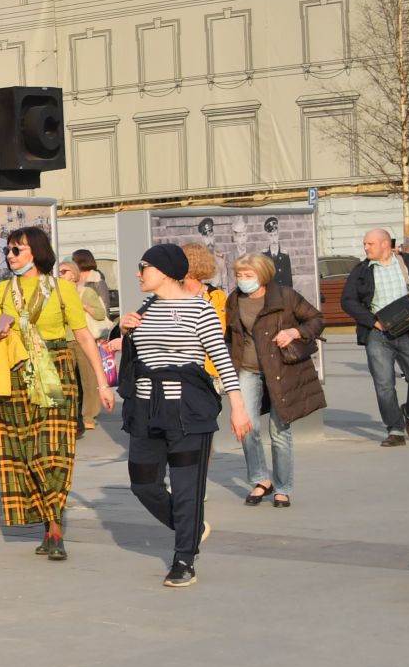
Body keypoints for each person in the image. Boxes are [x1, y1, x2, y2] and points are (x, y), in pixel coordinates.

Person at [118, 244, 252, 589]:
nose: (138, 274)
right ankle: (190, 527)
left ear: (163, 271)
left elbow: (221, 358)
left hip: (188, 409)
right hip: (146, 409)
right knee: (143, 483)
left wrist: (238, 406)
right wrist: (124, 330)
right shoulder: (144, 308)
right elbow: (133, 357)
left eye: (142, 267)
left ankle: (183, 559)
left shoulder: (199, 310)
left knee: (186, 485)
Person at [0, 230, 114, 560]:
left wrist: (102, 384)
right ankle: (45, 522)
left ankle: (55, 527)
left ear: (37, 252)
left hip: (56, 372)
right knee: (23, 454)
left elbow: (85, 338)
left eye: (18, 249)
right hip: (14, 375)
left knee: (52, 451)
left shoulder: (62, 290)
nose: (10, 254)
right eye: (8, 249)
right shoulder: (1, 291)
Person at [226, 253, 324, 509]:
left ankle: (282, 487)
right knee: (247, 427)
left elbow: (316, 319)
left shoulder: (285, 297)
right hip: (247, 369)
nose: (243, 280)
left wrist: (295, 331)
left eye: (249, 275)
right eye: (239, 275)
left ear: (264, 275)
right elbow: (232, 337)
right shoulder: (234, 299)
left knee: (279, 431)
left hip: (282, 370)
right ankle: (261, 479)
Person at [340, 228, 409, 446]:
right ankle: (395, 429)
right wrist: (371, 321)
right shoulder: (361, 271)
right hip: (378, 335)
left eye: (370, 244)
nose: (365, 247)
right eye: (365, 244)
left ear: (385, 244)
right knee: (384, 384)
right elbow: (348, 301)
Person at [58, 260, 110, 433]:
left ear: (73, 273)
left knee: (89, 380)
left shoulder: (85, 292)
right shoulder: (57, 294)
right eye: (59, 272)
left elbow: (101, 313)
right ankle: (70, 416)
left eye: (63, 271)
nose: (60, 275)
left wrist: (84, 307)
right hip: (64, 340)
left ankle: (88, 416)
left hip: (83, 340)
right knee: (66, 382)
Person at [70, 248, 112, 314]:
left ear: (80, 261)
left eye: (73, 260)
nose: (71, 263)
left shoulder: (97, 280)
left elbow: (105, 306)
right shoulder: (73, 279)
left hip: (95, 321)